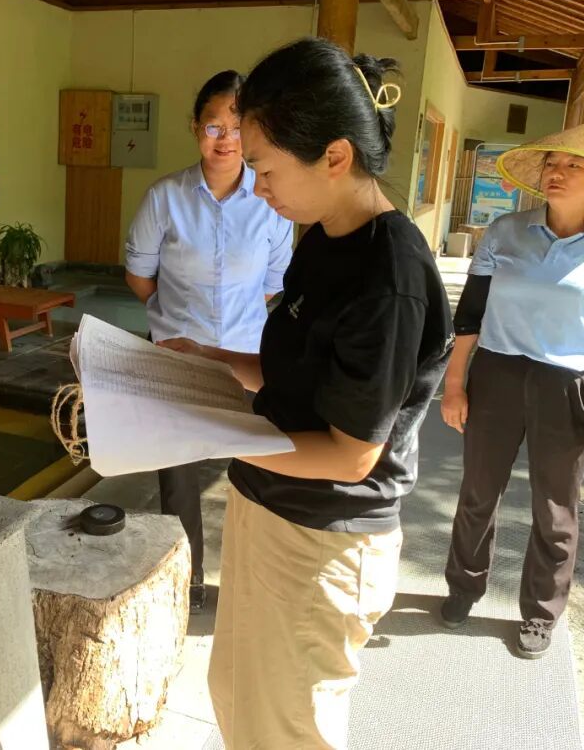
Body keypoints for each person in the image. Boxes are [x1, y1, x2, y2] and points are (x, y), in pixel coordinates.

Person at [158, 38, 454, 749]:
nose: (257, 186)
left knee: (289, 728)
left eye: (265, 167)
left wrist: (213, 436)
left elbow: (351, 456)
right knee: (238, 698)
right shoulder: (323, 235)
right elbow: (296, 372)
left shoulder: (388, 277)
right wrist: (214, 361)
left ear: (335, 156)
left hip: (323, 540)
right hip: (269, 508)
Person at [439, 120, 584, 660]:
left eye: (573, 166)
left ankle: (540, 612)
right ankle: (463, 586)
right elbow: (471, 313)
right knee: (478, 493)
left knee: (556, 507)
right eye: (552, 164)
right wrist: (455, 383)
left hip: (571, 384)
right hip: (497, 374)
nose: (556, 173)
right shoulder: (505, 230)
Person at [125, 69, 293, 610]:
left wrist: (229, 328)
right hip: (177, 358)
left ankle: (253, 583)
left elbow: (274, 283)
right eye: (214, 126)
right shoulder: (165, 197)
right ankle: (188, 583)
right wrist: (173, 317)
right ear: (195, 127)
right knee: (178, 478)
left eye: (238, 128)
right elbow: (140, 275)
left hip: (247, 358)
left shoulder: (271, 200)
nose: (225, 139)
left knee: (253, 469)